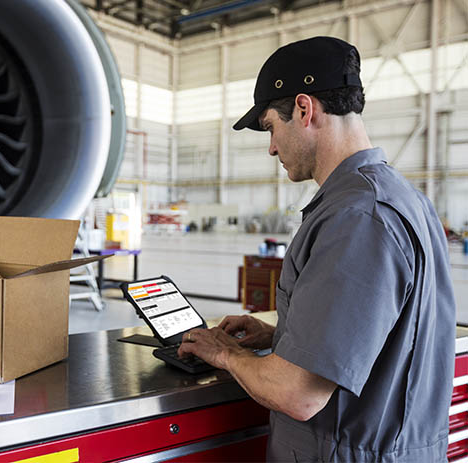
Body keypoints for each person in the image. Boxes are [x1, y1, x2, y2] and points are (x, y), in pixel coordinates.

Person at [178, 36, 456, 462]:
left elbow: (297, 393)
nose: (271, 147)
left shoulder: (358, 216)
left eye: (271, 126)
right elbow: (390, 334)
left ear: (305, 110)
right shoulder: (401, 197)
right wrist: (287, 336)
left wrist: (225, 353)